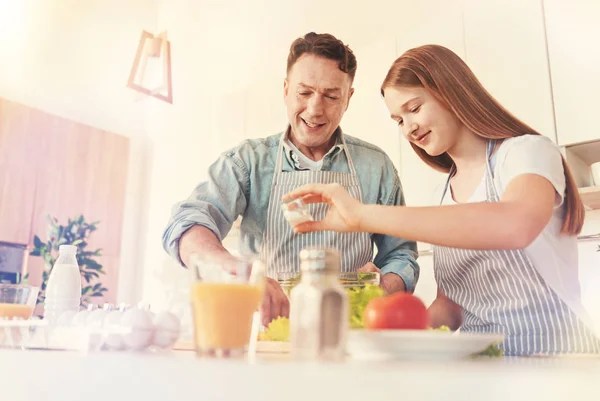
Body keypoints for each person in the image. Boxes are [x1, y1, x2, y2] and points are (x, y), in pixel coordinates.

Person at [283, 44, 600, 356]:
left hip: (561, 359)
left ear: (452, 92)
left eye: (415, 108)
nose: (409, 128)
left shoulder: (526, 152)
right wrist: (379, 336)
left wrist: (361, 215)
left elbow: (514, 224)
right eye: (399, 120)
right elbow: (450, 310)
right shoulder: (442, 197)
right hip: (484, 368)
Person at [162, 32, 419, 326]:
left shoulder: (377, 167)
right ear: (285, 90)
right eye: (304, 93)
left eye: (331, 96)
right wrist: (240, 272)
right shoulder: (248, 161)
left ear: (348, 98)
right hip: (265, 332)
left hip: (351, 332)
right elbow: (188, 223)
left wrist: (383, 286)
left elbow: (401, 254)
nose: (315, 109)